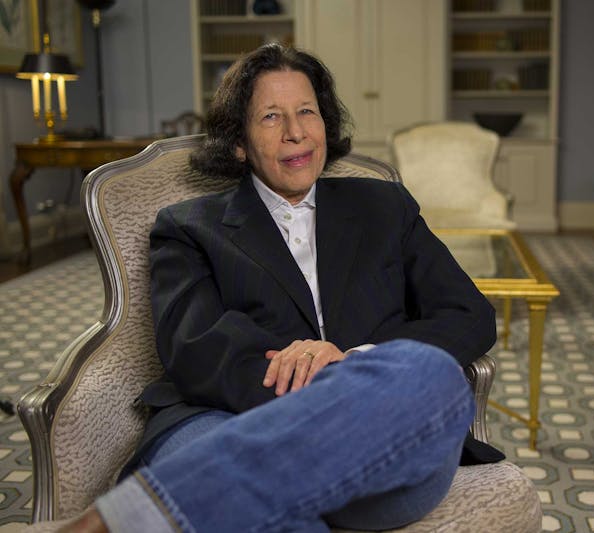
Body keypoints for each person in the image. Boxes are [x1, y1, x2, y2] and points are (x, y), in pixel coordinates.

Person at [61, 43, 501, 533]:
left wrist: (352, 364)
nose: (296, 132)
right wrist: (317, 392)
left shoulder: (385, 206)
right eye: (271, 117)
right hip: (226, 418)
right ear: (239, 142)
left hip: (374, 440)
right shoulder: (188, 226)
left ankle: (142, 513)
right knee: (255, 502)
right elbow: (195, 347)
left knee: (431, 374)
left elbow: (470, 315)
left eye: (307, 112)